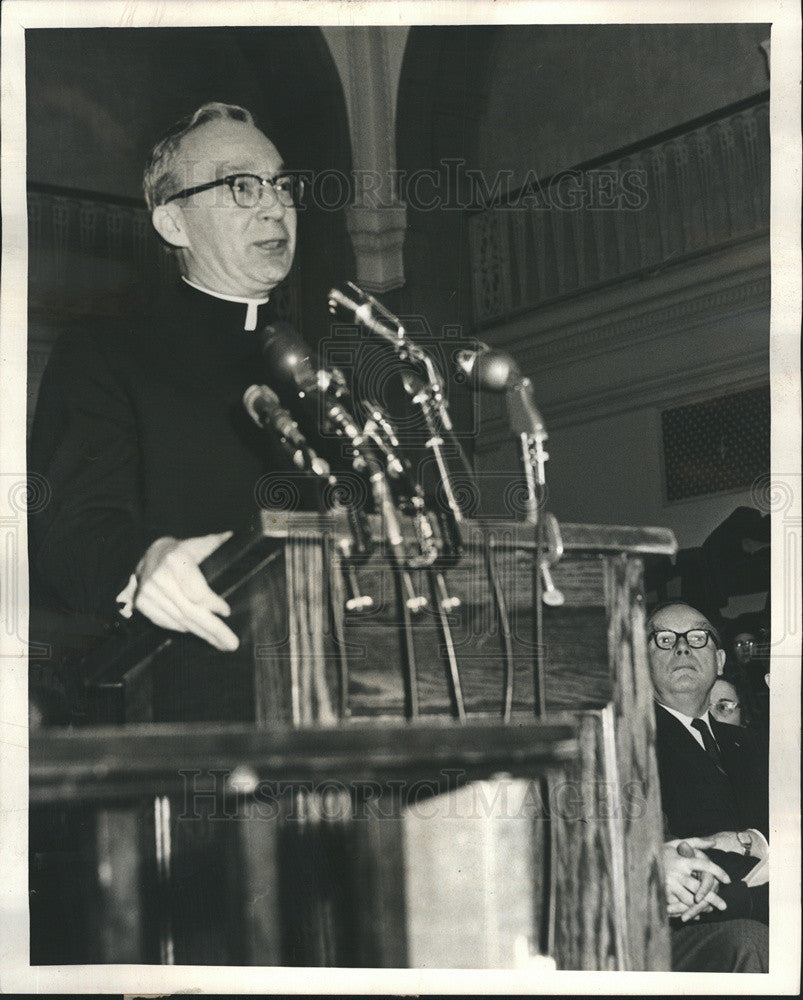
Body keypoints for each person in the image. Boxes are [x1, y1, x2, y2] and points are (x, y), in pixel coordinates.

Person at [30, 102, 305, 656]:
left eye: (282, 185)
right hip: (177, 681)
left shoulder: (324, 372)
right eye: (243, 187)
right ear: (173, 222)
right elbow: (71, 529)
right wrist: (144, 559)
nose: (275, 207)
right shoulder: (102, 355)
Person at [646, 601, 769, 972]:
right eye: (664, 639)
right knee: (749, 943)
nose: (682, 647)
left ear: (718, 661)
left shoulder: (752, 744)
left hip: (756, 906)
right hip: (688, 929)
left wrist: (753, 841)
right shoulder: (630, 743)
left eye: (697, 637)